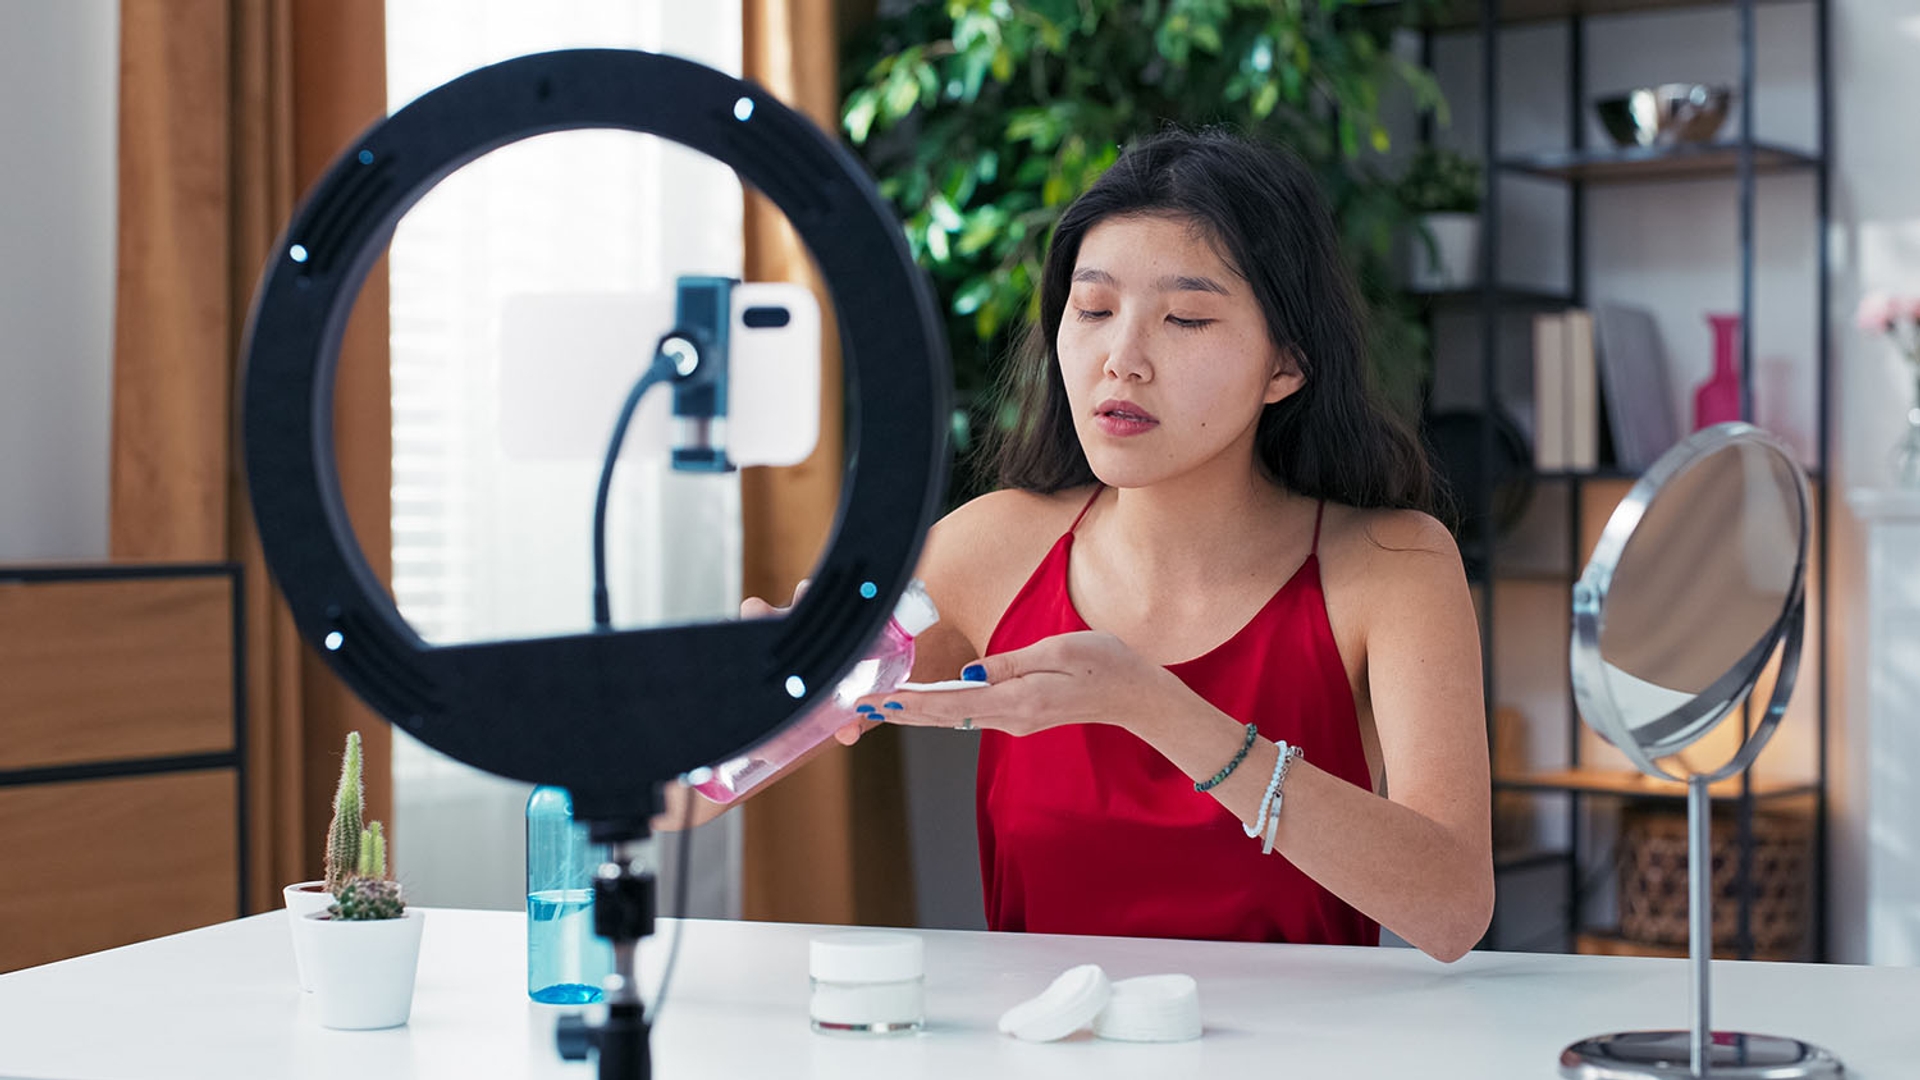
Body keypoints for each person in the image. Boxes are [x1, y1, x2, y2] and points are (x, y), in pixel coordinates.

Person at [684, 128, 1492, 962]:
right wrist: (746, 695)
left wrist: (1153, 706)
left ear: (1285, 365)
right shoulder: (990, 549)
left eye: (1185, 318)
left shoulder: (1391, 567)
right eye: (1095, 310)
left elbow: (1452, 908)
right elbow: (679, 800)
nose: (1122, 360)